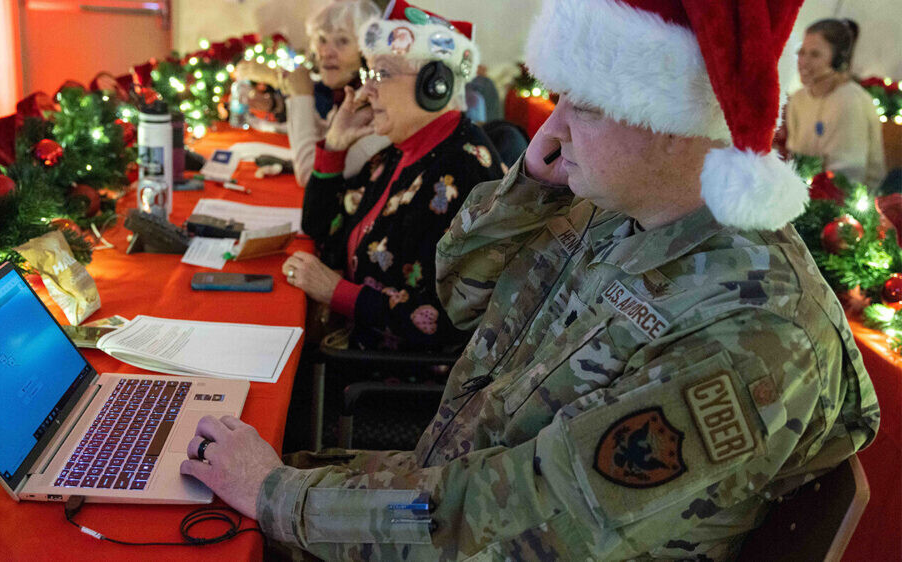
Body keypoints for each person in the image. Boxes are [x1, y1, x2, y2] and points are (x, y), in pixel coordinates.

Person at [180, 0, 880, 559]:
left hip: (469, 530)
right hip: (438, 488)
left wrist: (278, 494)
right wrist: (530, 187)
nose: (555, 126)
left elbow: (510, 522)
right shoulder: (611, 210)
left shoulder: (755, 328)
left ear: (673, 120)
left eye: (584, 104)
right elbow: (459, 294)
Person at [280, 2, 503, 352]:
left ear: (435, 85)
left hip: (389, 371)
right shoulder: (401, 149)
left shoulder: (462, 169)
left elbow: (448, 323)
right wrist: (334, 147)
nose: (366, 90)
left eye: (381, 74)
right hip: (355, 348)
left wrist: (336, 292)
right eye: (369, 74)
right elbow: (321, 228)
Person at [241, 0, 390, 187]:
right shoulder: (348, 94)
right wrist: (280, 103)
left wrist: (301, 96)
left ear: (367, 51)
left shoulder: (376, 104)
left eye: (342, 41)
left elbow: (310, 175)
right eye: (322, 39)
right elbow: (326, 140)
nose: (326, 52)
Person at [787, 19, 886, 187]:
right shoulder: (798, 99)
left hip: (847, 197)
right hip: (805, 192)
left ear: (837, 60)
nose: (803, 61)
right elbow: (794, 161)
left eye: (815, 54)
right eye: (802, 52)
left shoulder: (851, 101)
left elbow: (846, 180)